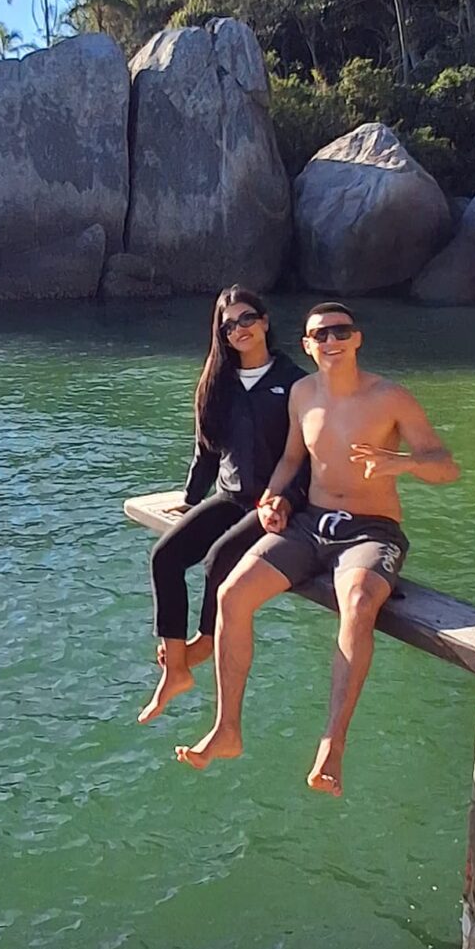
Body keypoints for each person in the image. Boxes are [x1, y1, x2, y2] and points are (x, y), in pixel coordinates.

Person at [177, 298, 459, 794]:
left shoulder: (391, 398)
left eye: (339, 331)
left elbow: (445, 467)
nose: (330, 341)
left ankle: (332, 744)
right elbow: (289, 460)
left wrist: (402, 464)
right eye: (319, 335)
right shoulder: (302, 394)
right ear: (306, 346)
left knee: (356, 604)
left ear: (357, 339)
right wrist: (271, 500)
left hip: (371, 531)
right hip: (310, 524)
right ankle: (227, 728)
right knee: (231, 595)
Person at [138, 286, 306, 724]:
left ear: (265, 321)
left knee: (218, 561)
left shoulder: (296, 382)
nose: (239, 330)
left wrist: (285, 500)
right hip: (230, 496)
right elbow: (207, 450)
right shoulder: (219, 382)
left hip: (275, 503)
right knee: (165, 557)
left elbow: (310, 456)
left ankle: (203, 643)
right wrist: (191, 500)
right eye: (228, 325)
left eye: (247, 319)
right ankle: (176, 670)